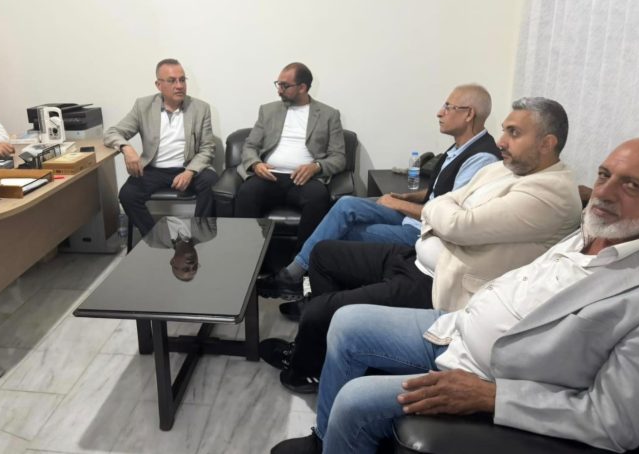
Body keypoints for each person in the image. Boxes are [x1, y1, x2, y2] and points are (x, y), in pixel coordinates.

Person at [271, 138, 639, 454]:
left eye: (631, 186)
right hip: (458, 326)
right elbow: (449, 204)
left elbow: (616, 422)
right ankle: (325, 439)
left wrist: (492, 397)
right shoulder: (590, 232)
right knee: (346, 321)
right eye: (604, 175)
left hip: (493, 373)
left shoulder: (630, 283)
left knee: (355, 398)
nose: (604, 192)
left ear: (546, 142)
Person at [261, 97, 582, 394]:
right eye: (504, 130)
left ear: (547, 143)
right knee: (325, 253)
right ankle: (320, 345)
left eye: (514, 133)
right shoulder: (504, 169)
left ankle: (307, 368)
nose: (502, 141)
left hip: (438, 280)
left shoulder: (548, 194)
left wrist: (444, 213)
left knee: (325, 302)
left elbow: (458, 223)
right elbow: (449, 202)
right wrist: (444, 212)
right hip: (419, 254)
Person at [260, 83, 502, 298]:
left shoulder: (480, 159)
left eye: (448, 107)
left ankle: (307, 288)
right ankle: (300, 279)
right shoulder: (460, 147)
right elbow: (441, 191)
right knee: (345, 205)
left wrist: (400, 205)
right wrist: (409, 196)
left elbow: (451, 217)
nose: (440, 112)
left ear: (469, 114)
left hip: (426, 233)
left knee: (343, 233)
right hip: (418, 217)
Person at [234, 62, 346, 250]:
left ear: (302, 87)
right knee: (246, 192)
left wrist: (316, 167)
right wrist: (255, 164)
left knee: (318, 196)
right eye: (278, 84)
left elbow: (339, 157)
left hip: (304, 180)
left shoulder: (329, 115)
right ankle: (247, 256)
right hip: (269, 176)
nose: (279, 90)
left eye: (284, 86)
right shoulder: (268, 110)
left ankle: (301, 262)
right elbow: (250, 146)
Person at [104, 59, 218, 236]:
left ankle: (200, 235)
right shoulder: (143, 106)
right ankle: (156, 239)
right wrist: (127, 148)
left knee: (210, 182)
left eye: (182, 80)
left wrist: (190, 171)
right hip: (154, 169)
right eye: (172, 81)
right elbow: (112, 133)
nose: (179, 86)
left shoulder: (200, 108)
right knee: (128, 195)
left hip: (188, 166)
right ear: (158, 85)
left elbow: (207, 148)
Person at [143, 216, 217, 281]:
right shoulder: (208, 232)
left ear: (173, 261)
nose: (191, 265)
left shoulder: (153, 239)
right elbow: (210, 205)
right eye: (195, 267)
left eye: (186, 269)